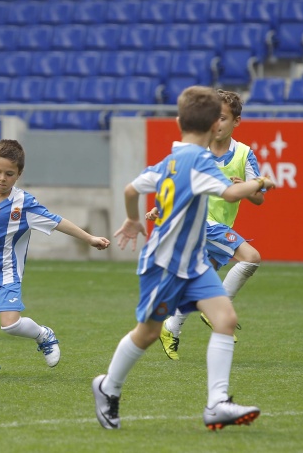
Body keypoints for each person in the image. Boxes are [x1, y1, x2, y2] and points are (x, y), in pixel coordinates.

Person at [91, 86, 274, 430]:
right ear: (211, 127)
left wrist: (132, 217)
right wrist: (260, 182)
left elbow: (132, 189)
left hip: (194, 264)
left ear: (178, 122)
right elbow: (233, 191)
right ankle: (108, 387)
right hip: (164, 263)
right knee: (146, 333)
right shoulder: (200, 160)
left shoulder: (171, 159)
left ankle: (217, 403)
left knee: (225, 320)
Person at [0, 139, 110, 377]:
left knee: (11, 324)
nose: (2, 178)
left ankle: (43, 335)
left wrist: (89, 238)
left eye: (9, 174)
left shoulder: (23, 203)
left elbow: (56, 221)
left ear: (19, 174)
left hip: (6, 274)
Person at [158, 89, 266, 360]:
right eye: (213, 118)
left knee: (200, 284)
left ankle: (171, 327)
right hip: (200, 223)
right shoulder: (197, 152)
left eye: (223, 118)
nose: (217, 124)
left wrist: (248, 188)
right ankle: (218, 308)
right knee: (251, 258)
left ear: (236, 122)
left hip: (219, 225)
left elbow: (260, 199)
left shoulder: (244, 154)